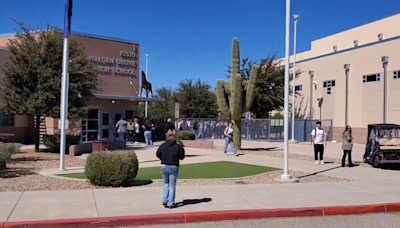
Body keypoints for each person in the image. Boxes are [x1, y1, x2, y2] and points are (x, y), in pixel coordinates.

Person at [156, 130, 185, 209]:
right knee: (172, 185)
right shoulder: (178, 146)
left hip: (164, 165)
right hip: (173, 165)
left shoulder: (163, 145)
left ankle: (165, 200)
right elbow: (182, 157)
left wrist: (163, 158)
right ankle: (171, 202)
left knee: (166, 183)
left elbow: (158, 154)